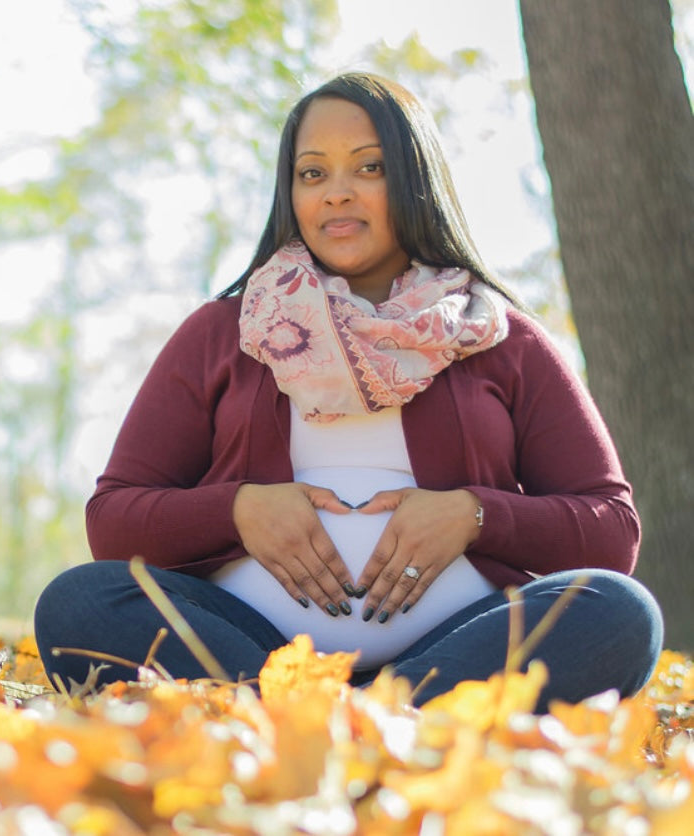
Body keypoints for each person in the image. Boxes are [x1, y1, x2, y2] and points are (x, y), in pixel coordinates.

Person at [33, 72, 663, 711]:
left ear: (416, 182)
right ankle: (317, 712)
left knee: (622, 613)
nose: (337, 193)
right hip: (252, 651)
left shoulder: (500, 338)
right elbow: (112, 520)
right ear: (291, 192)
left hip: (458, 648)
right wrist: (238, 511)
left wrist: (473, 516)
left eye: (369, 168)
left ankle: (360, 715)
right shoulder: (222, 331)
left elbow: (611, 530)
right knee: (81, 601)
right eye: (313, 173)